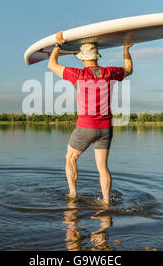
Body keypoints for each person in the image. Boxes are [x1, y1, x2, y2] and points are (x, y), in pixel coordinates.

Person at [48, 30, 133, 206]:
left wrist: (58, 45)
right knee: (102, 167)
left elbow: (51, 65)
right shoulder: (110, 72)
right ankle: (106, 202)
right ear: (97, 57)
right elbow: (129, 70)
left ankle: (72, 195)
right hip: (106, 128)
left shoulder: (77, 74)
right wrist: (126, 50)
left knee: (70, 158)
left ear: (82, 58)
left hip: (86, 127)